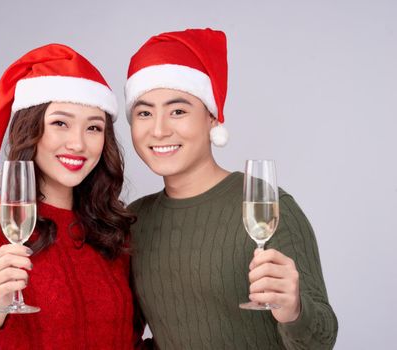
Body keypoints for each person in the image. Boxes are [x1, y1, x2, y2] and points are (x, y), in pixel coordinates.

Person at [125, 28, 338, 349]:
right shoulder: (133, 220)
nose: (158, 129)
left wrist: (294, 310)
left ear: (212, 118)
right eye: (144, 112)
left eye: (178, 111)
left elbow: (322, 340)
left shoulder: (266, 204)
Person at [0, 44, 140, 349]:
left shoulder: (112, 230)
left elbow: (129, 339)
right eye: (60, 123)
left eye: (93, 128)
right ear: (31, 129)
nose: (77, 144)